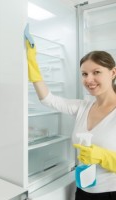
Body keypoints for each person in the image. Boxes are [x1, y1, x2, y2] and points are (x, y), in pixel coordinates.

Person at [26, 40, 116, 200]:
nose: (89, 79)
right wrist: (32, 62)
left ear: (113, 73)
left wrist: (104, 157)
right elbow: (48, 99)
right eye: (84, 74)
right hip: (82, 192)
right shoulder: (83, 107)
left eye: (96, 72)